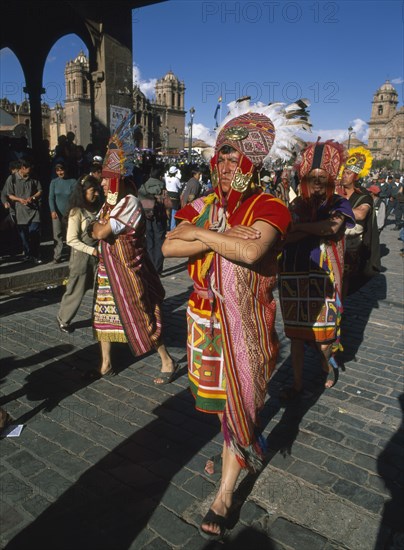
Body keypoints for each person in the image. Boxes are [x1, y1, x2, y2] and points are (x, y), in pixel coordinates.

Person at [163, 98, 310, 540]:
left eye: (235, 156)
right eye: (221, 155)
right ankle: (237, 445)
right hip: (204, 320)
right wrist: (219, 236)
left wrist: (202, 235)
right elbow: (169, 245)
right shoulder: (205, 202)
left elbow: (250, 251)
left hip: (246, 322)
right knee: (221, 402)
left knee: (243, 400)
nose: (226, 164)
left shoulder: (271, 206)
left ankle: (226, 491)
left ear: (253, 162)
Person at [90, 116, 177, 381]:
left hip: (128, 271)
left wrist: (96, 227)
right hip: (108, 271)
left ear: (117, 180)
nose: (102, 184)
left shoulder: (128, 203)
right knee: (102, 316)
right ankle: (105, 363)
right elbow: (96, 230)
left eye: (106, 180)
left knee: (141, 315)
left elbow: (101, 231)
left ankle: (166, 359)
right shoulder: (109, 205)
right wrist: (96, 227)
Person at [278, 140, 355, 399]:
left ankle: (327, 366)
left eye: (323, 177)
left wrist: (300, 229)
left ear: (331, 177)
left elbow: (331, 229)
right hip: (292, 275)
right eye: (313, 177)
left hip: (323, 279)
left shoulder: (340, 203)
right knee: (296, 336)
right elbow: (286, 235)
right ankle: (298, 384)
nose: (318, 181)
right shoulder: (297, 204)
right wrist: (302, 229)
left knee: (323, 339)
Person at [57, 175, 100, 333]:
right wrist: (92, 250)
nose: (96, 194)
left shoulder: (98, 209)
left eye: (97, 190)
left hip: (97, 256)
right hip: (82, 256)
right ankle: (64, 319)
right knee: (76, 289)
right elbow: (71, 239)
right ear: (83, 192)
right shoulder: (77, 212)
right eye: (92, 190)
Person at [338, 147, 381, 295]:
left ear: (356, 176)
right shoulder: (337, 193)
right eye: (343, 172)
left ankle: (339, 312)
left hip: (352, 247)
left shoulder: (364, 196)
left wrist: (335, 211)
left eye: (348, 173)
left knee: (344, 281)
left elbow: (361, 214)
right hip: (334, 243)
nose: (344, 175)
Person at [2, 158, 43, 264]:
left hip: (33, 210)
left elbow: (40, 190)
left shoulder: (33, 177)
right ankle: (28, 253)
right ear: (23, 168)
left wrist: (33, 197)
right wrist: (19, 199)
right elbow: (9, 194)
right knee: (24, 236)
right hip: (20, 212)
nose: (30, 170)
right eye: (28, 168)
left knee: (34, 233)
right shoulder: (12, 179)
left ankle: (35, 254)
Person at [138, 165, 167, 275]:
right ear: (160, 175)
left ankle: (150, 267)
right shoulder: (161, 185)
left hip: (147, 215)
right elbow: (166, 202)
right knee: (159, 241)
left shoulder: (144, 185)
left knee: (149, 242)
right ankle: (157, 268)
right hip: (158, 216)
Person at [48, 162, 77, 263]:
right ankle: (57, 256)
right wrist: (52, 210)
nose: (60, 172)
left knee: (70, 234)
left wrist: (72, 211)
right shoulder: (54, 182)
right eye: (58, 170)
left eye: (62, 170)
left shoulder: (72, 182)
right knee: (57, 235)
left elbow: (75, 198)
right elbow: (51, 197)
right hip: (57, 213)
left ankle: (72, 255)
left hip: (70, 213)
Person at [164, 165, 182, 230]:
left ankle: (167, 226)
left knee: (168, 212)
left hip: (168, 196)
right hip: (175, 197)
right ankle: (172, 228)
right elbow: (180, 187)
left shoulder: (167, 178)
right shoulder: (176, 179)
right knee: (174, 213)